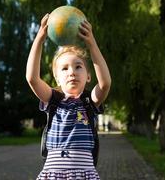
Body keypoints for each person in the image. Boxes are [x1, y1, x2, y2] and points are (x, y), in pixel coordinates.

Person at [26, 13, 111, 180]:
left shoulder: (89, 102)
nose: (72, 72)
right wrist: (39, 39)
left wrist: (91, 43)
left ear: (88, 76)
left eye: (78, 67)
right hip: (52, 175)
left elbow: (105, 84)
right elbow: (32, 78)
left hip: (85, 174)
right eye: (64, 68)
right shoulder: (53, 100)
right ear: (57, 78)